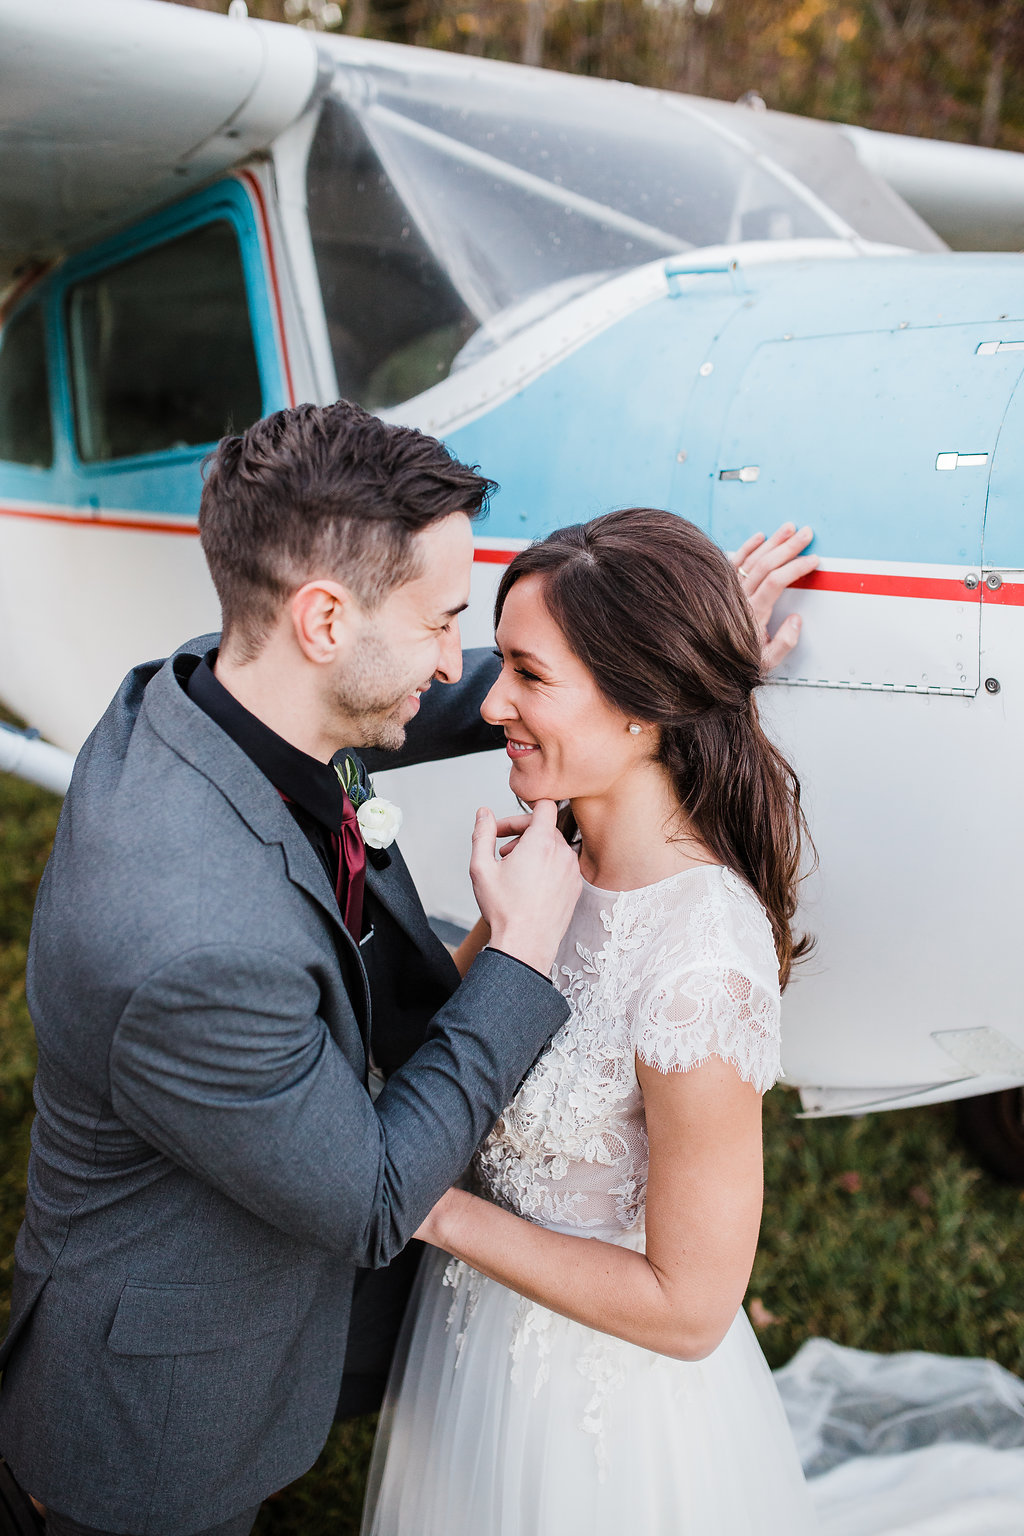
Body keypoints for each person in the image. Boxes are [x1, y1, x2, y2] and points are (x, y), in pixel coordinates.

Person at [0, 402, 582, 1536]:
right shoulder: (191, 946)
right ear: (323, 618)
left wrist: (575, 673)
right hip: (150, 1439)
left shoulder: (203, 693)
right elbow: (369, 1201)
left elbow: (396, 687)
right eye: (444, 624)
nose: (450, 661)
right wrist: (518, 954)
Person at [361, 508, 819, 1536]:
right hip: (474, 1341)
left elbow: (689, 1308)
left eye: (527, 675)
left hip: (604, 1413)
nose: (490, 708)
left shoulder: (703, 965)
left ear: (641, 708)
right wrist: (503, 931)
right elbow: (457, 1058)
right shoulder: (556, 853)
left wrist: (423, 1205)